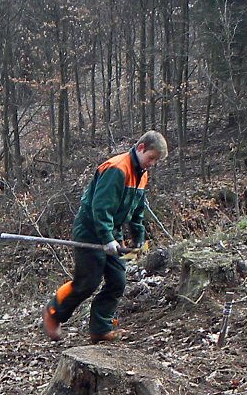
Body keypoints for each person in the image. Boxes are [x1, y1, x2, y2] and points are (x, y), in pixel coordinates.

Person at [41, 131, 167, 344]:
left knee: (118, 280)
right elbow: (101, 207)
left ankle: (100, 329)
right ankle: (54, 312)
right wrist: (107, 238)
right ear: (140, 148)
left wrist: (138, 237)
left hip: (112, 231)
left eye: (156, 161)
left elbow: (137, 209)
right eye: (151, 158)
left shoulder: (141, 174)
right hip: (90, 229)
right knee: (88, 282)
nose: (152, 163)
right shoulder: (117, 169)